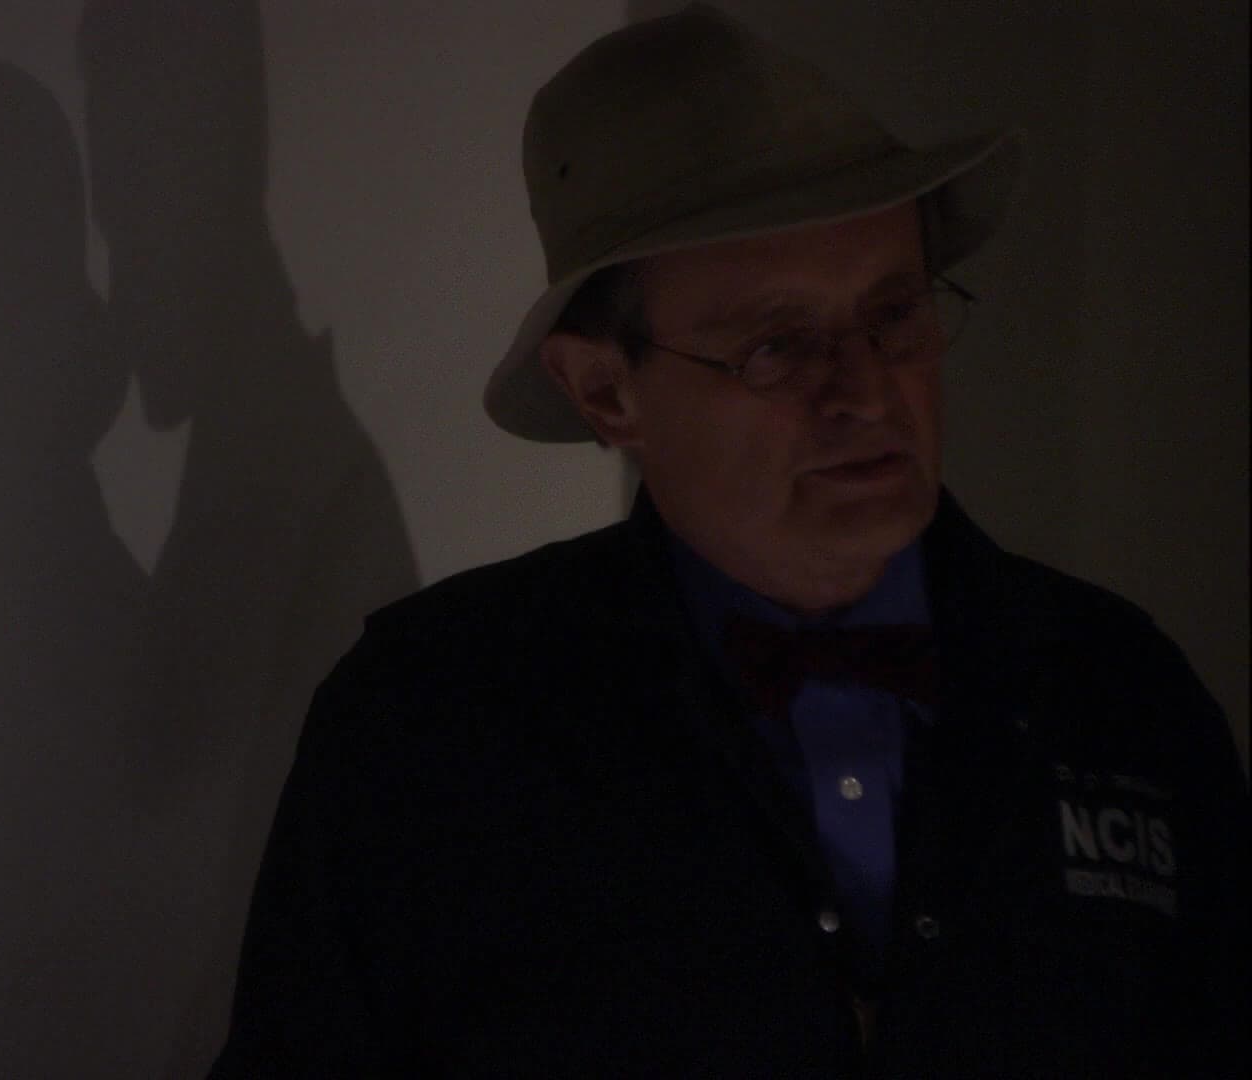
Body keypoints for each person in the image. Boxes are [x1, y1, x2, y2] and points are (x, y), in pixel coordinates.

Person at [208, 5, 1247, 1076]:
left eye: (895, 314)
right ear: (605, 391)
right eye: (775, 345)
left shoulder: (1120, 693)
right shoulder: (433, 721)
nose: (865, 391)